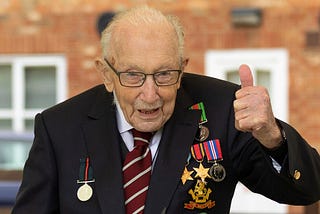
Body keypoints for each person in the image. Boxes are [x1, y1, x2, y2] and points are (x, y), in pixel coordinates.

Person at [12, 5, 320, 214]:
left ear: (182, 68)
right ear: (106, 74)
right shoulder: (59, 129)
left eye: (164, 74)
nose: (150, 94)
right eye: (132, 75)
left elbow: (306, 190)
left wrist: (271, 136)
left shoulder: (223, 111)